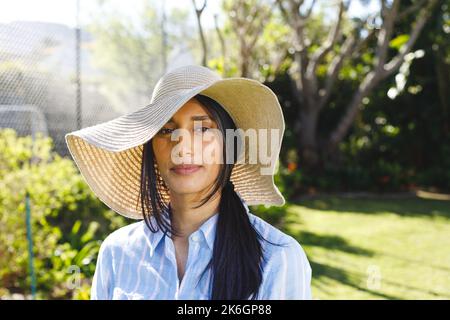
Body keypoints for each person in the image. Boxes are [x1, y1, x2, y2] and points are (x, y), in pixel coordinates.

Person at [65, 65, 312, 300]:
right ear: (151, 151)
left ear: (229, 146)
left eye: (203, 129)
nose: (182, 147)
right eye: (166, 130)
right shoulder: (117, 252)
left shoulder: (276, 258)